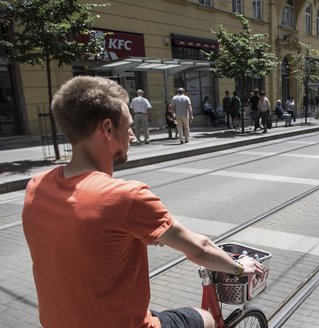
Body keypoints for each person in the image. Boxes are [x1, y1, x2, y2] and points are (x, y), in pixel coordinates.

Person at [21, 76, 264, 328]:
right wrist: (237, 267)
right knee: (205, 318)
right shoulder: (126, 196)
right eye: (127, 127)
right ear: (107, 129)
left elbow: (84, 237)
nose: (133, 137)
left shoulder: (36, 187)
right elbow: (199, 249)